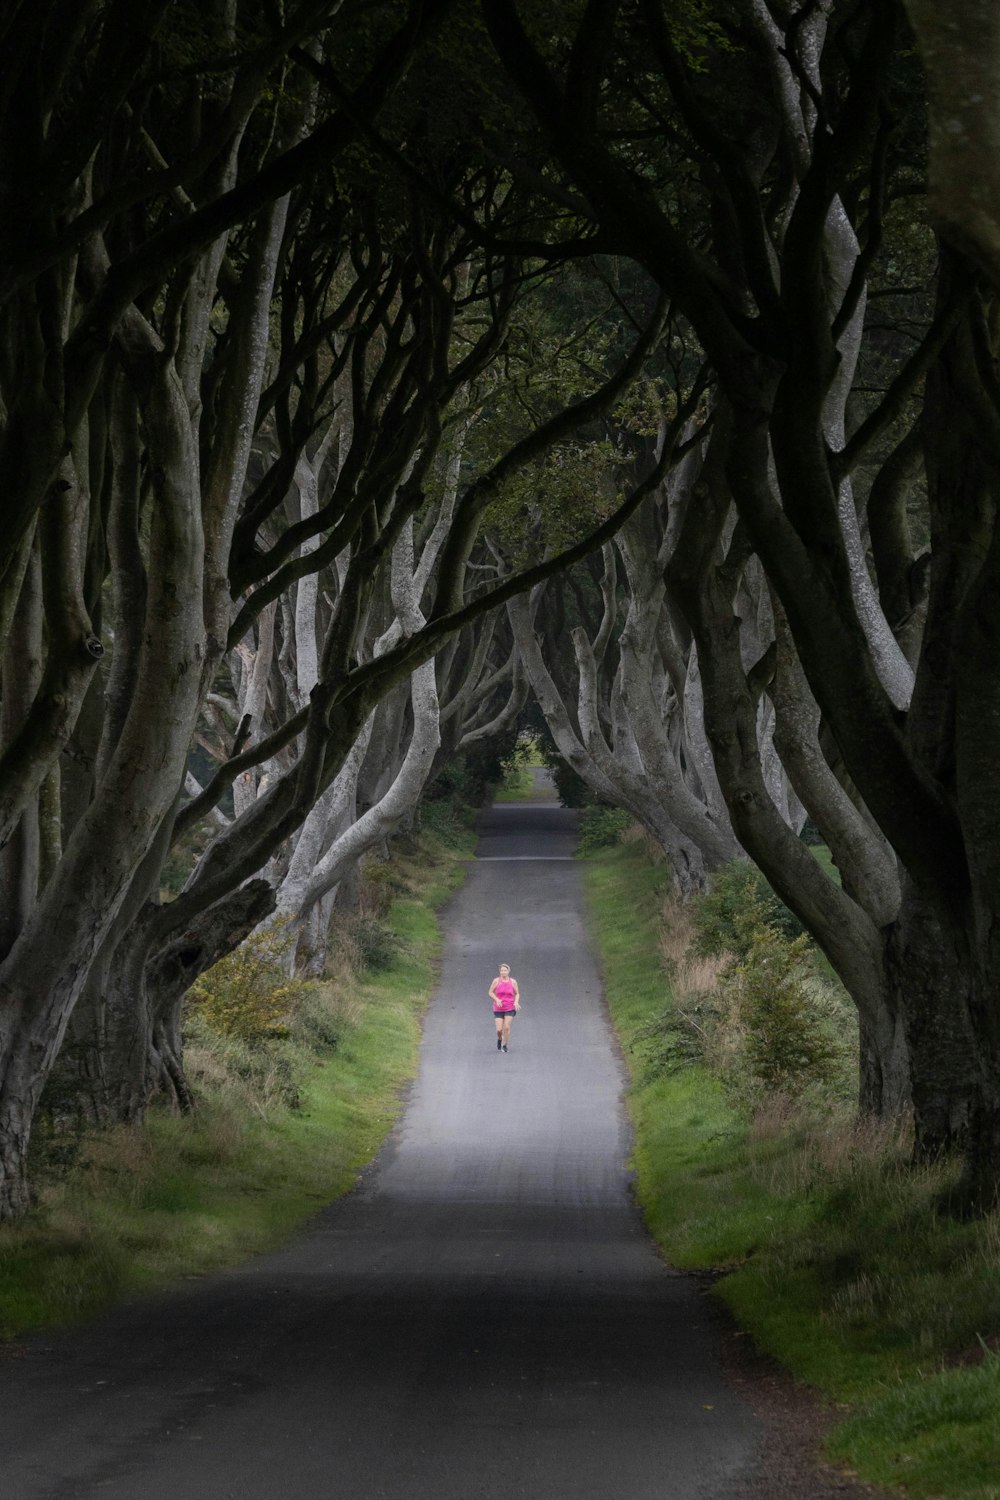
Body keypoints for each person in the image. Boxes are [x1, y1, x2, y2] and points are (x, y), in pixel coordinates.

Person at [489, 963, 520, 1053]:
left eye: (505, 970)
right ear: (500, 972)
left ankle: (505, 1044)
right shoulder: (496, 981)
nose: (503, 972)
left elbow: (517, 993)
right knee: (499, 1030)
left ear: (508, 971)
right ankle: (500, 1039)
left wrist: (516, 1002)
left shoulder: (513, 982)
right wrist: (496, 999)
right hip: (498, 1007)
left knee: (506, 1027)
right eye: (501, 971)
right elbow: (490, 992)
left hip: (509, 1007)